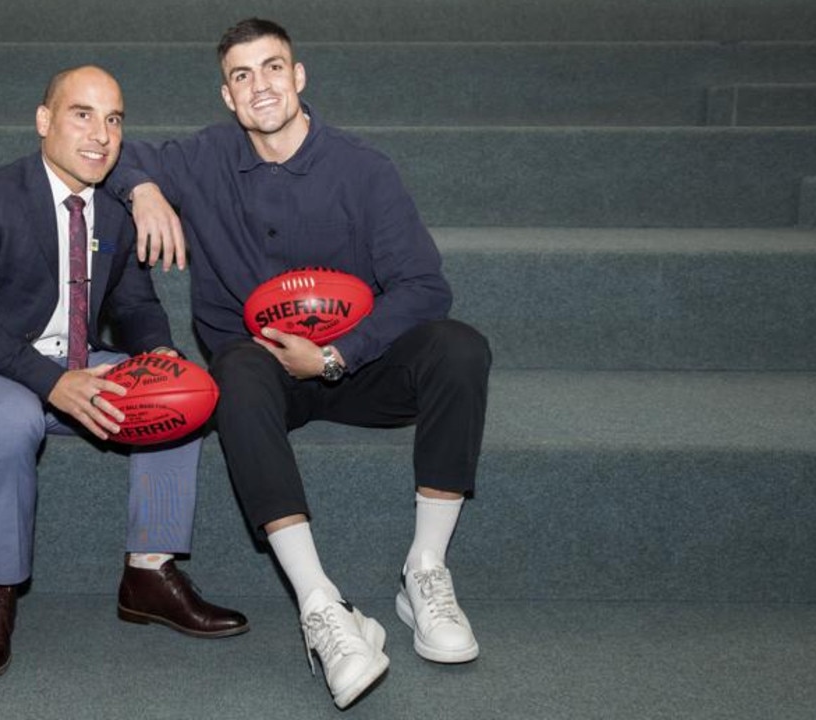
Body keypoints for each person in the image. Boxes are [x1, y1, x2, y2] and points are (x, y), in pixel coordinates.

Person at [106, 19, 491, 709]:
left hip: (355, 366)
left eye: (273, 68)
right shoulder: (202, 158)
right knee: (236, 374)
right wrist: (145, 191)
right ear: (226, 96)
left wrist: (339, 354)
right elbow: (115, 156)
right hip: (263, 377)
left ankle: (424, 573)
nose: (261, 87)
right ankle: (323, 609)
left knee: (461, 348)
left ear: (300, 75)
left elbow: (425, 287)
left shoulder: (363, 168)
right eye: (243, 76)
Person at [0, 65, 248, 682]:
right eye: (82, 114)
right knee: (13, 417)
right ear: (44, 122)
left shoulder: (115, 209)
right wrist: (50, 383)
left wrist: (161, 354)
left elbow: (137, 306)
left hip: (76, 362)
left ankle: (149, 573)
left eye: (114, 119)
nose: (101, 134)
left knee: (184, 393)